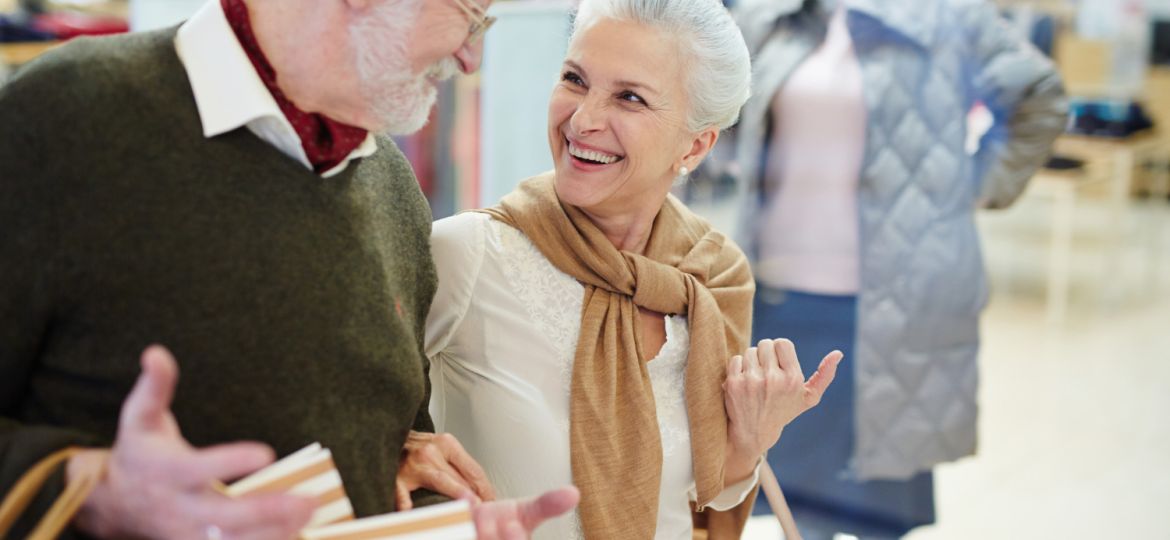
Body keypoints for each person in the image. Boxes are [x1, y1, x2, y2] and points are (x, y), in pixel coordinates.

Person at [0, 0, 577, 538]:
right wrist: (96, 492)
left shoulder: (393, 190)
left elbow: (388, 453)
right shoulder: (69, 114)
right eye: (470, 17)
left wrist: (437, 522)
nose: (470, 57)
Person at [424, 0, 843, 538]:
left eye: (629, 97)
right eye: (574, 79)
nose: (583, 119)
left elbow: (709, 502)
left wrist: (751, 438)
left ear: (696, 145)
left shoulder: (713, 276)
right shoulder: (465, 255)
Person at [715, 0, 1068, 537]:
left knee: (879, 504)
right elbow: (717, 104)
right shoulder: (776, 17)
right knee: (796, 501)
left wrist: (974, 185)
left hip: (893, 309)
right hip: (783, 301)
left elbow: (1038, 96)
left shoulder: (947, 17)